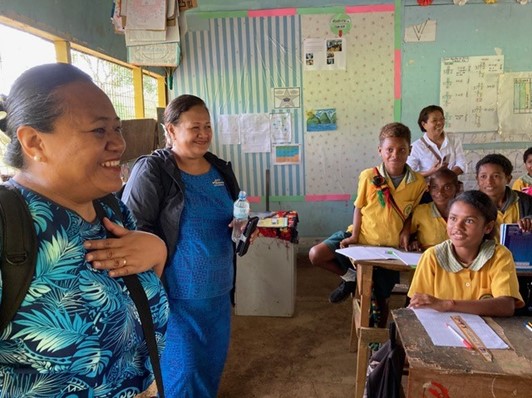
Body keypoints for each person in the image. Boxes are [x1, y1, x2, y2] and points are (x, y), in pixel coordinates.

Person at [0, 63, 168, 396]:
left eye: (117, 129)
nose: (119, 143)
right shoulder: (9, 225)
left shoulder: (110, 208)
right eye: (99, 131)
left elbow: (136, 300)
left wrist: (156, 249)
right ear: (34, 142)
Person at [121, 94, 248, 397]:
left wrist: (241, 228)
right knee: (183, 372)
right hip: (175, 295)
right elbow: (133, 229)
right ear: (171, 130)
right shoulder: (153, 170)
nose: (204, 134)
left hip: (218, 290)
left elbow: (229, 219)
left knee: (210, 366)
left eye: (207, 126)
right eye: (195, 127)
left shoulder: (220, 170)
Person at [309, 122, 426, 327]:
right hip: (361, 238)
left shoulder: (418, 182)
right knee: (316, 254)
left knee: (379, 300)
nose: (395, 155)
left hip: (390, 248)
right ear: (380, 151)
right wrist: (353, 237)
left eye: (401, 150)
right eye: (389, 150)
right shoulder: (369, 176)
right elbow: (359, 207)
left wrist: (407, 232)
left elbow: (413, 213)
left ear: (410, 151)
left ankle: (375, 344)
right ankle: (349, 277)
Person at [408, 190, 524, 316]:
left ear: (488, 227)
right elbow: (418, 304)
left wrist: (447, 304)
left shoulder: (499, 255)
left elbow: (506, 306)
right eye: (453, 218)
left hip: (488, 332)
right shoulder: (432, 256)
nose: (457, 227)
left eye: (469, 221)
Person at [475, 153, 532, 240]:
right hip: (486, 253)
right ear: (477, 179)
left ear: (508, 179)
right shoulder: (471, 205)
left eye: (496, 176)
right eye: (483, 176)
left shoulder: (525, 201)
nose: (489, 182)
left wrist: (529, 221)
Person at [406, 168, 460, 251]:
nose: (440, 192)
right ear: (428, 188)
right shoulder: (421, 211)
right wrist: (413, 242)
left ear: (457, 188)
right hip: (428, 260)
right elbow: (409, 235)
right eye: (435, 187)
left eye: (447, 187)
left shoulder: (464, 212)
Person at [407, 105, 467, 179]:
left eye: (442, 119)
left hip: (451, 188)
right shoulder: (416, 147)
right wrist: (430, 172)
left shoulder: (454, 139)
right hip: (428, 189)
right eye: (434, 120)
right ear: (424, 124)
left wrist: (447, 177)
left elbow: (462, 164)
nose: (439, 123)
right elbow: (409, 174)